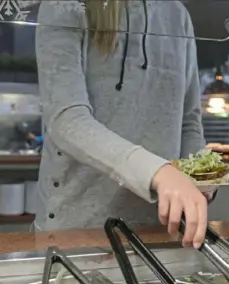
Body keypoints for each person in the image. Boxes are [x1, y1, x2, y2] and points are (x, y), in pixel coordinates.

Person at [34, 0, 209, 247]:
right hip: (80, 228)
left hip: (160, 230)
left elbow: (189, 121)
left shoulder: (178, 15)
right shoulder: (64, 6)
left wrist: (200, 177)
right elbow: (66, 119)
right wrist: (160, 173)